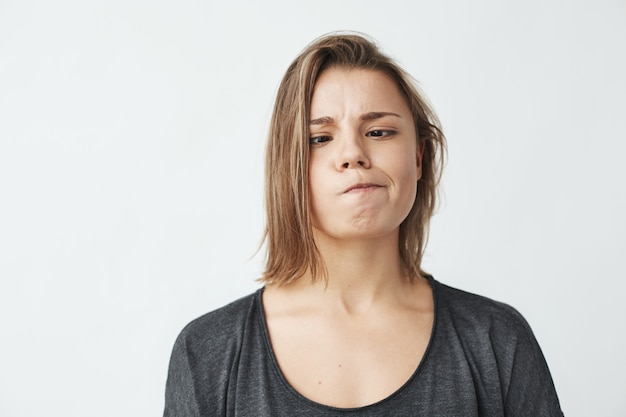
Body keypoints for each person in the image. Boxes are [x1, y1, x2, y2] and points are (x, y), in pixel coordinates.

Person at [163, 32, 564, 416]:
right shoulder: (207, 351)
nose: (353, 154)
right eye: (319, 138)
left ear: (419, 157)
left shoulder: (496, 339)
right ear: (287, 167)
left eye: (379, 132)